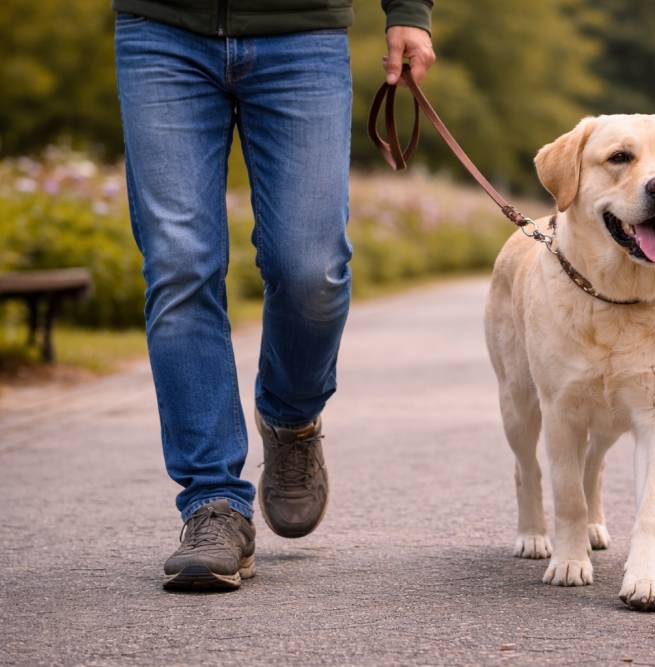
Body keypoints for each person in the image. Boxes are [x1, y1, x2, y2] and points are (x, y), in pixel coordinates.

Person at [113, 0, 436, 591]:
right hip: (160, 29)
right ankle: (213, 504)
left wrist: (408, 10)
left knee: (312, 268)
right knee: (180, 267)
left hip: (301, 32)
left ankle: (291, 419)